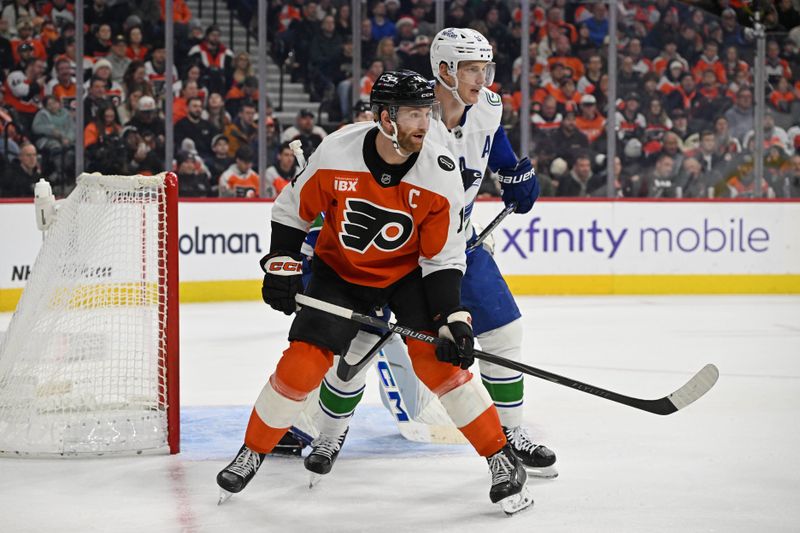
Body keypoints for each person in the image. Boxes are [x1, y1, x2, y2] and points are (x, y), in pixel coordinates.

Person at [216, 70, 533, 515]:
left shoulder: (439, 170)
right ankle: (252, 452)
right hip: (341, 272)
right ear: (385, 118)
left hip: (409, 275)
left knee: (439, 365)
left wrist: (452, 317)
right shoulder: (337, 152)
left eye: (427, 113)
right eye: (413, 115)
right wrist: (282, 263)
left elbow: (442, 258)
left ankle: (502, 458)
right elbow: (291, 210)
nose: (425, 124)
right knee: (304, 362)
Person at [300, 28, 555, 482]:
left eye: (485, 68)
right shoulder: (411, 121)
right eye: (472, 69)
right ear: (444, 71)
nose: (482, 79)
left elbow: (495, 148)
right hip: (394, 252)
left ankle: (511, 433)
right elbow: (358, 178)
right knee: (357, 347)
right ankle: (329, 433)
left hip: (456, 244)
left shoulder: (487, 107)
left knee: (503, 332)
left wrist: (515, 173)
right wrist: (315, 239)